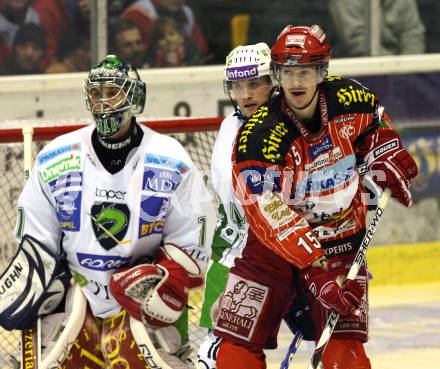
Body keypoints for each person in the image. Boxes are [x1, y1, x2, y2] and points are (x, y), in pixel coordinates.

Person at [213, 24, 418, 369]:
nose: (296, 83)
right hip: (271, 254)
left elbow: (374, 126)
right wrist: (314, 267)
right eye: (288, 72)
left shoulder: (350, 97)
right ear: (277, 75)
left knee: (346, 354)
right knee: (234, 351)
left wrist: (384, 151)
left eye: (305, 72)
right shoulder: (259, 134)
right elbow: (266, 210)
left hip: (341, 245)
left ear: (322, 71)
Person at [0, 55, 216, 369]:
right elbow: (37, 238)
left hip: (143, 300)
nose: (103, 103)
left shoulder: (169, 158)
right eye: (96, 93)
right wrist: (37, 282)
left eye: (113, 92)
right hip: (75, 298)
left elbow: (191, 240)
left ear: (135, 97)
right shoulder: (57, 156)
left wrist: (165, 279)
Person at [196, 42, 274, 368]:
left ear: (274, 82)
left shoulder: (286, 127)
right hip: (232, 256)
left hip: (285, 261)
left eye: (254, 83)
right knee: (212, 357)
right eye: (238, 86)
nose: (245, 94)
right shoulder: (228, 126)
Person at [328, 0, 426, 57]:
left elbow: (413, 33)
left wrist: (408, 65)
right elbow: (356, 42)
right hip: (358, 70)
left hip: (404, 70)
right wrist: (393, 65)